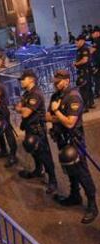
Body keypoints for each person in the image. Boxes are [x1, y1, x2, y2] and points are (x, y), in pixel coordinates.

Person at [46, 70, 98, 224]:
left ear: (66, 81)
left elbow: (70, 122)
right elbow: (46, 116)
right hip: (62, 139)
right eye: (54, 80)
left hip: (74, 140)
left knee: (82, 172)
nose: (55, 83)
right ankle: (74, 195)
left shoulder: (73, 96)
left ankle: (92, 204)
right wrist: (58, 116)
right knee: (70, 170)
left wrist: (56, 112)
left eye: (58, 81)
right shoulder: (56, 96)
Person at [15, 70, 58, 194]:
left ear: (31, 79)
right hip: (30, 128)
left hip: (37, 130)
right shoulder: (27, 94)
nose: (22, 81)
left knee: (45, 155)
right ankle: (38, 170)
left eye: (24, 79)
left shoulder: (35, 94)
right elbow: (19, 106)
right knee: (35, 152)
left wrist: (20, 108)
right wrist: (20, 108)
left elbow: (25, 112)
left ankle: (53, 181)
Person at [75, 34, 94, 111]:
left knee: (83, 89)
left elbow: (85, 59)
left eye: (77, 42)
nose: (76, 43)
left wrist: (76, 63)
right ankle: (90, 103)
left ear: (82, 41)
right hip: (85, 71)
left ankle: (85, 106)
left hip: (84, 71)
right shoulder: (80, 49)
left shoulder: (84, 49)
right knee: (88, 88)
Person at [90, 26, 100, 99]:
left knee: (96, 78)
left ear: (97, 33)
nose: (92, 35)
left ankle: (97, 92)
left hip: (97, 63)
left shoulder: (96, 40)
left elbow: (91, 51)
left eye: (93, 33)